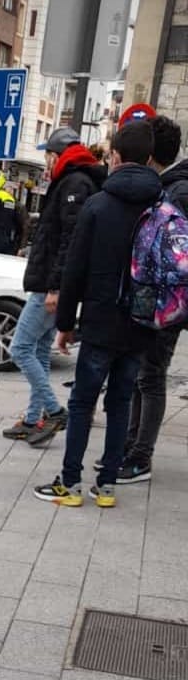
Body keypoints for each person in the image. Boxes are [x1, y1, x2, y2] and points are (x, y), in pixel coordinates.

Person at [34, 119, 162, 508]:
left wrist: (65, 325)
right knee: (121, 401)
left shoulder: (99, 205)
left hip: (100, 322)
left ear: (118, 157)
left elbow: (75, 270)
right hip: (140, 324)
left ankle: (69, 484)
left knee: (82, 402)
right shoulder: (161, 208)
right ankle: (106, 486)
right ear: (151, 160)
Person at [3, 127, 104, 444]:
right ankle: (34, 420)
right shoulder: (72, 180)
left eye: (47, 156)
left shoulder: (74, 183)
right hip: (50, 282)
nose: (46, 163)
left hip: (51, 285)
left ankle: (53, 410)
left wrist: (57, 289)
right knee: (40, 351)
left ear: (55, 155)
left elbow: (70, 242)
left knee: (19, 348)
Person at [113, 114, 188, 482]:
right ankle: (131, 447)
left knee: (151, 375)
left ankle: (141, 456)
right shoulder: (171, 185)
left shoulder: (178, 191)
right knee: (145, 373)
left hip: (169, 301)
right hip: (161, 297)